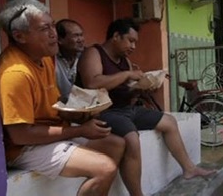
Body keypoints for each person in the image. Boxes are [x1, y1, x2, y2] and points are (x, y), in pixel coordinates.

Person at [0, 0, 125, 196]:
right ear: (19, 36)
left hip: (49, 134)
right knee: (105, 168)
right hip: (24, 148)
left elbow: (53, 104)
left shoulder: (45, 58)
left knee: (116, 144)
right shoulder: (16, 73)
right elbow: (20, 135)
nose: (53, 34)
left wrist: (79, 115)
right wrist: (81, 130)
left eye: (53, 26)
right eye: (44, 29)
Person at [78, 18, 214, 196]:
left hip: (127, 109)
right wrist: (127, 74)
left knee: (169, 121)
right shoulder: (94, 53)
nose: (133, 46)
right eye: (130, 40)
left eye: (135, 42)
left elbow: (125, 89)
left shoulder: (124, 60)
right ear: (116, 36)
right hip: (104, 112)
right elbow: (92, 82)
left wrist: (142, 87)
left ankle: (189, 168)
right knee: (132, 139)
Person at [56, 19, 86, 101]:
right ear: (60, 40)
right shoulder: (50, 60)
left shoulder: (86, 57)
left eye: (81, 35)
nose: (81, 40)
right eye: (76, 36)